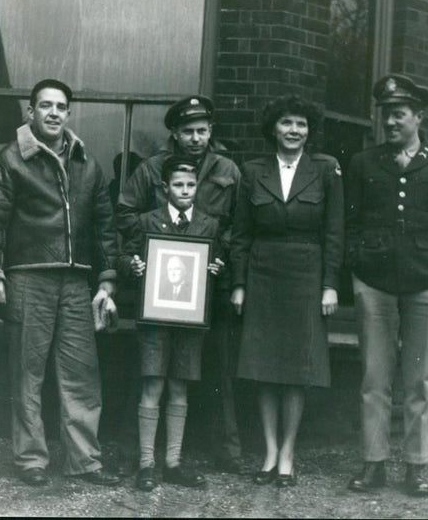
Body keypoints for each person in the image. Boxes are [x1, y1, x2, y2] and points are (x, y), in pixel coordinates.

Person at [0, 78, 120, 488]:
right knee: (28, 374)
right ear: (31, 112)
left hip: (75, 282)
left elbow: (105, 227)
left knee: (81, 374)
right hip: (28, 277)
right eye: (45, 105)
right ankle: (31, 459)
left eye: (60, 107)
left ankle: (84, 460)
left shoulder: (87, 164)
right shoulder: (9, 160)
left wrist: (107, 280)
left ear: (68, 113)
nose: (53, 113)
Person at [345, 74, 428, 497]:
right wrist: (357, 261)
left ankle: (417, 466)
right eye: (385, 114)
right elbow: (351, 221)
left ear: (419, 117)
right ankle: (373, 463)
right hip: (375, 281)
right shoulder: (363, 163)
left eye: (398, 114)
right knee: (374, 378)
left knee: (421, 381)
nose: (390, 122)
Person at [117, 95, 245, 474]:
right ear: (174, 132)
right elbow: (125, 212)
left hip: (210, 285)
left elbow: (241, 222)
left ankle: (224, 451)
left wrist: (220, 254)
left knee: (213, 368)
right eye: (187, 131)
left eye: (202, 131)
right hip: (160, 290)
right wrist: (153, 247)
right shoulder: (152, 168)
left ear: (211, 130)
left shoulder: (227, 169)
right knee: (149, 372)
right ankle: (134, 455)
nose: (195, 138)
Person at [230, 95, 343, 488]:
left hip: (306, 278)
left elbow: (334, 234)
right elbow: (241, 234)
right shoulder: (252, 171)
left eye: (301, 124)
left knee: (296, 370)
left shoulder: (325, 170)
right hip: (262, 276)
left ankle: (288, 455)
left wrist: (330, 285)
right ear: (273, 129)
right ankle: (269, 451)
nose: (294, 131)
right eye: (286, 123)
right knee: (264, 368)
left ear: (309, 131)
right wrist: (239, 284)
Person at [119, 155, 227, 491]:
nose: (185, 190)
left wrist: (217, 268)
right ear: (165, 188)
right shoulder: (147, 221)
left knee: (180, 387)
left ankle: (173, 462)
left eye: (191, 185)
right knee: (152, 385)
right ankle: (146, 464)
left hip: (189, 320)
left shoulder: (209, 225)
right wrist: (132, 266)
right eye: (178, 185)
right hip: (155, 319)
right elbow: (124, 255)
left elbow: (220, 260)